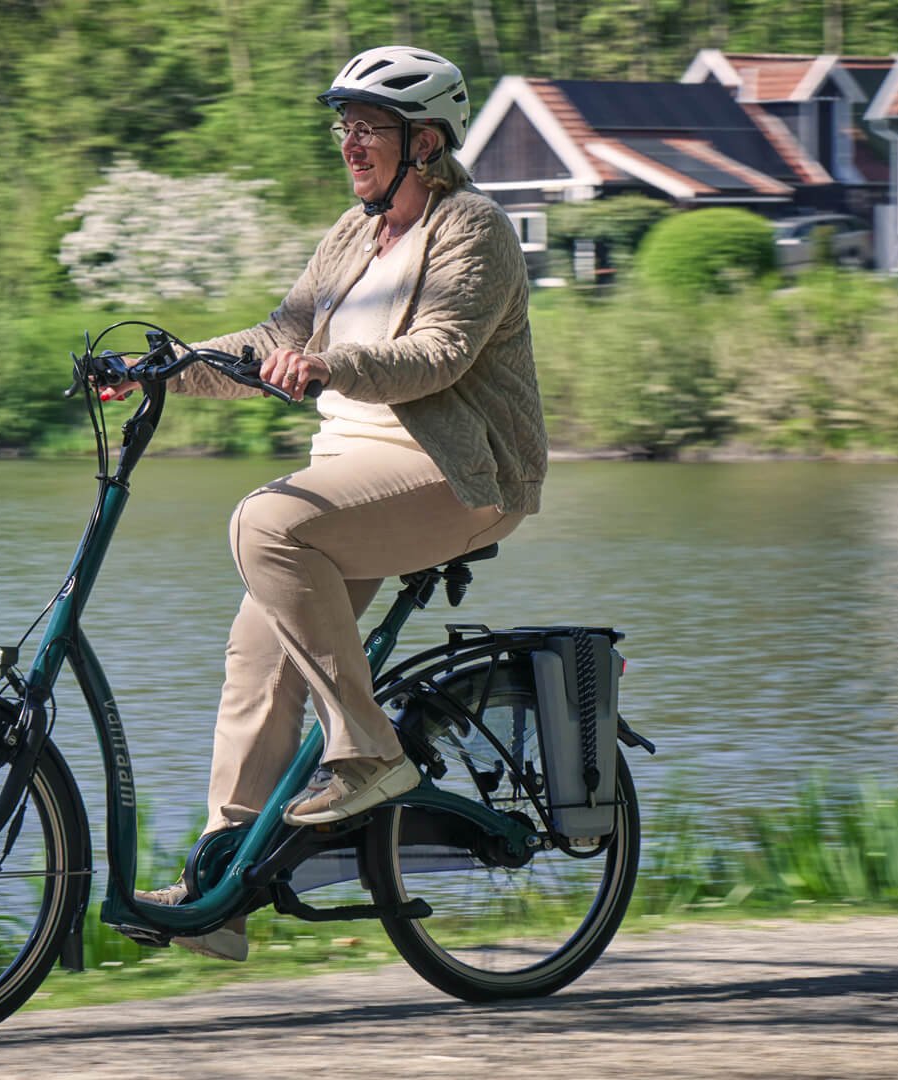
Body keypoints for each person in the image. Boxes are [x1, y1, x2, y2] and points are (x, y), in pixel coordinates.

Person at [132, 45, 548, 960]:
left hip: (456, 476)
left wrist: (332, 364)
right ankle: (222, 887)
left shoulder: (473, 228)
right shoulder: (352, 236)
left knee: (265, 520)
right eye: (344, 127)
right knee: (257, 657)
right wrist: (167, 364)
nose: (350, 144)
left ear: (426, 143)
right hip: (354, 475)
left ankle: (368, 755)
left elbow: (439, 350)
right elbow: (277, 334)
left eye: (370, 128)